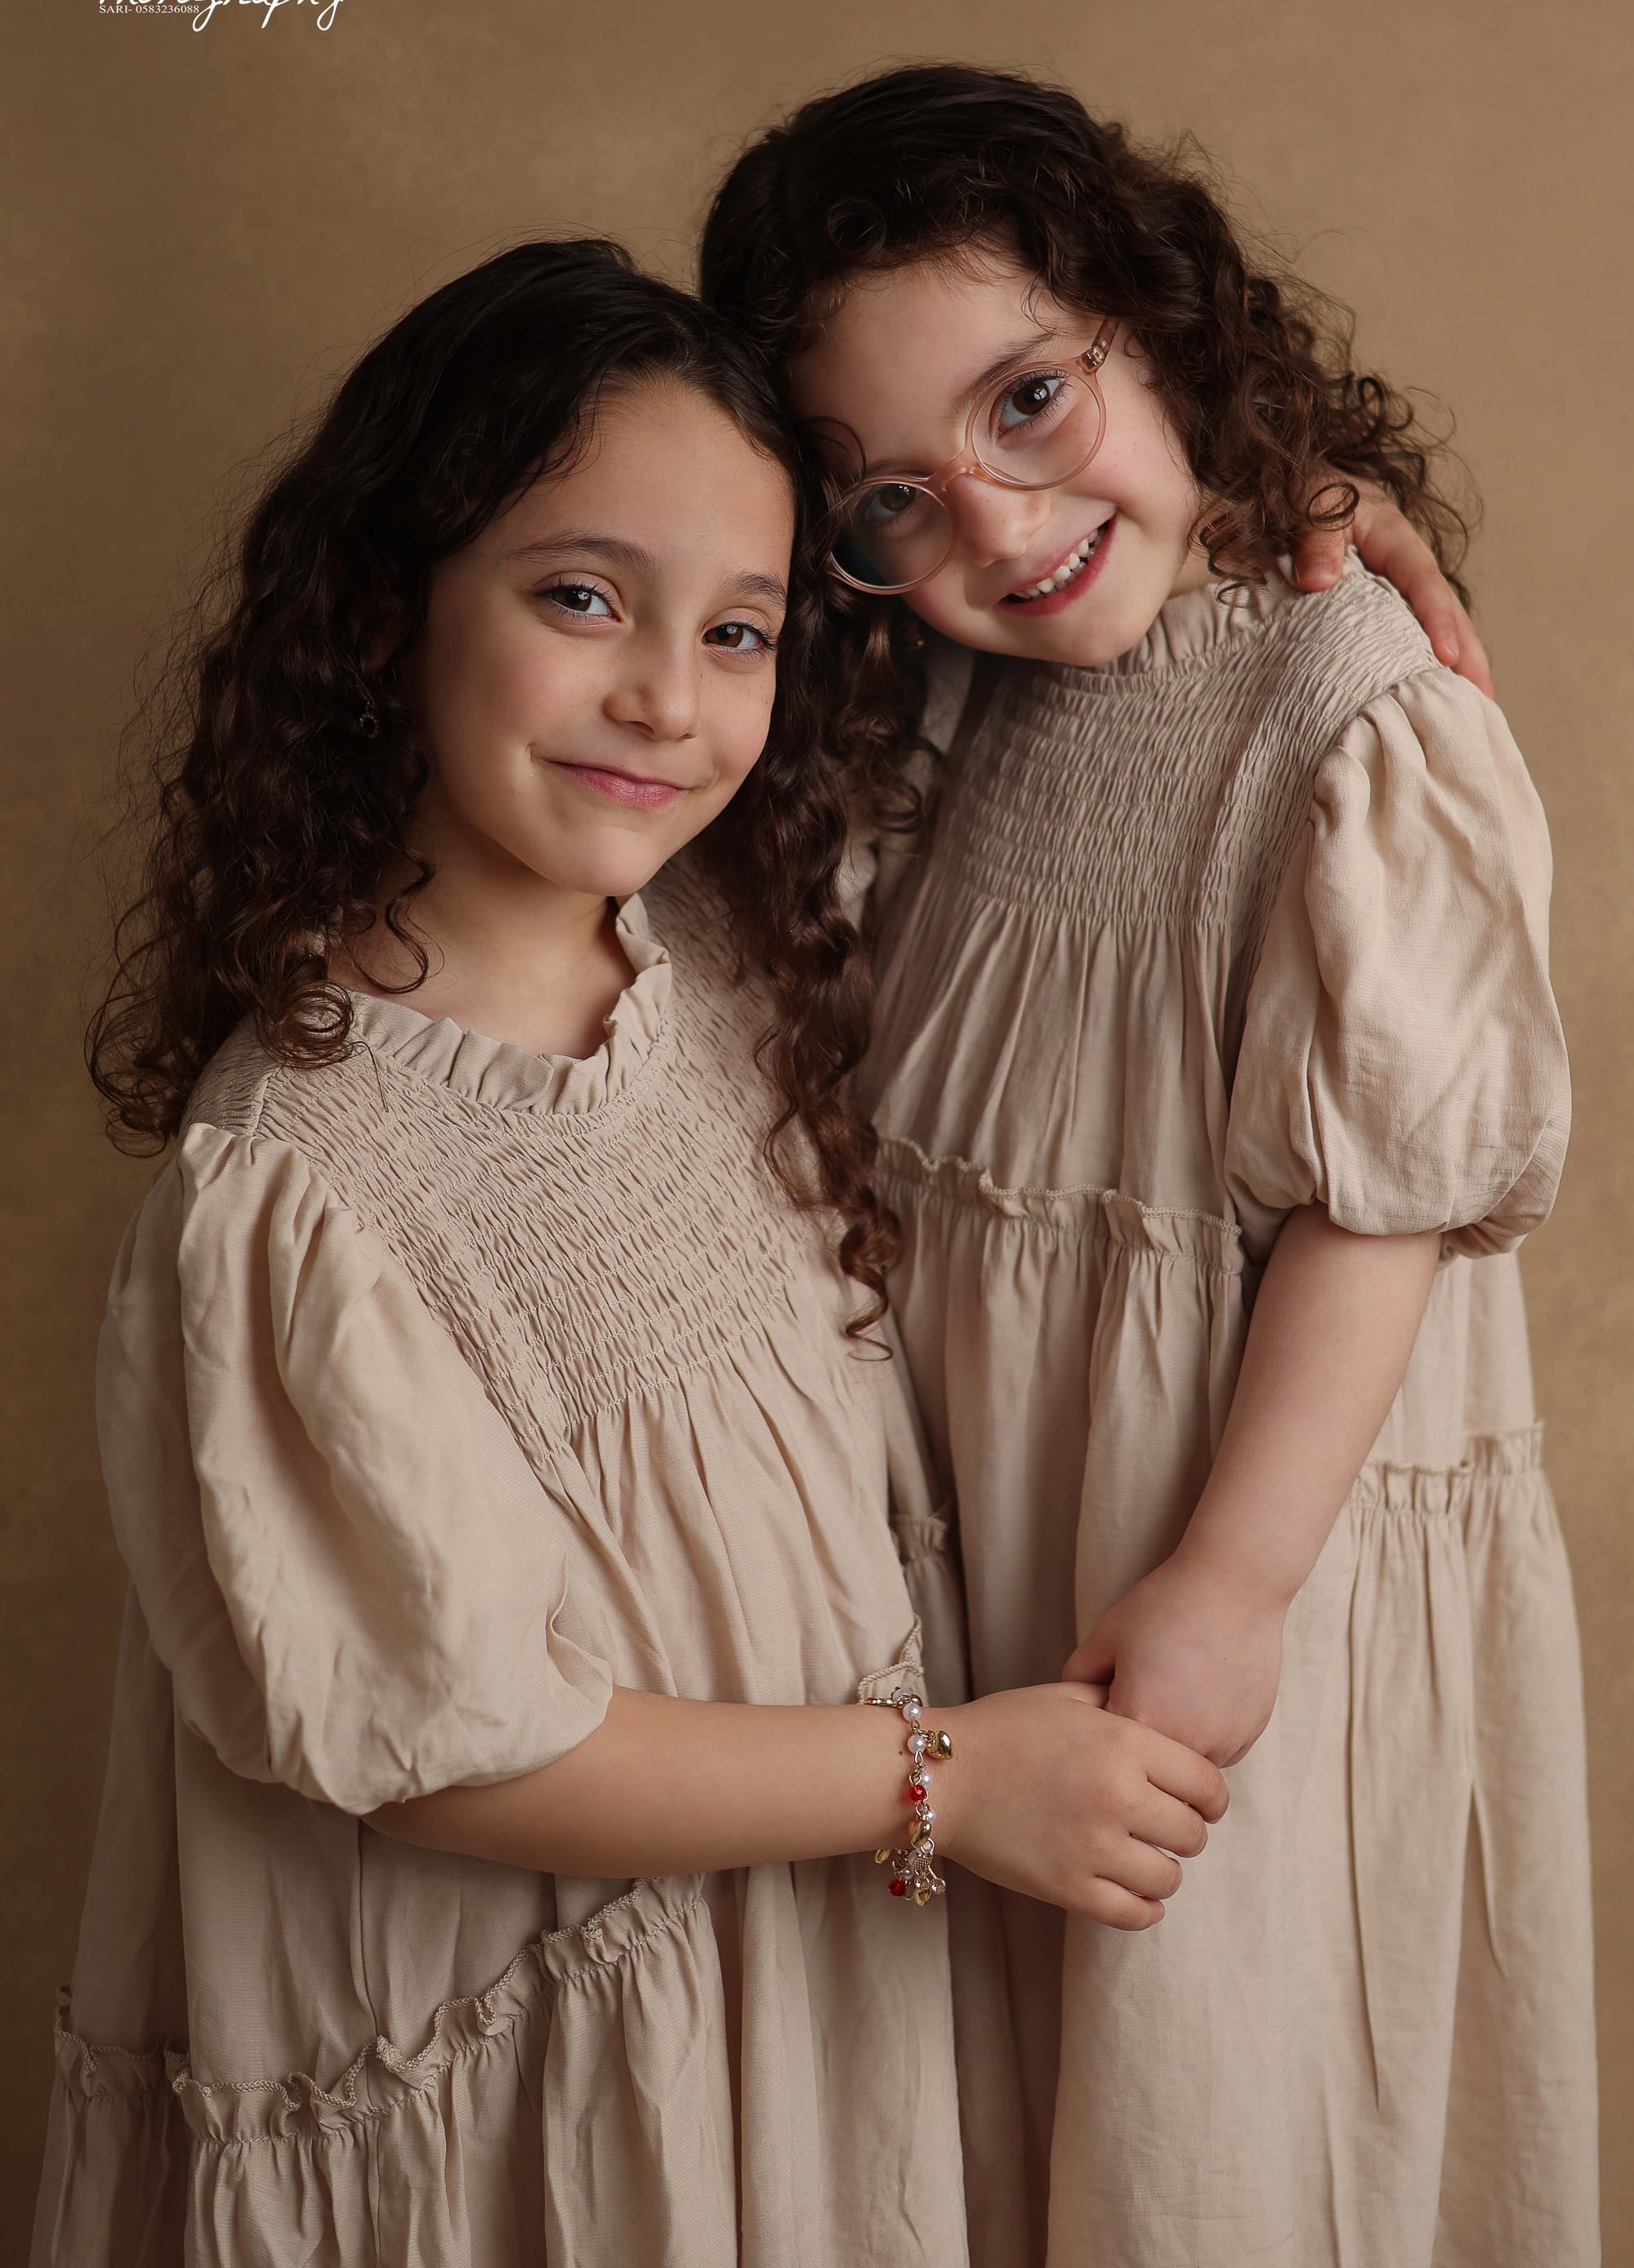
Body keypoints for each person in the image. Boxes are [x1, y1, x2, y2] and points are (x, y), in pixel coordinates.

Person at [35, 239, 1230, 2266]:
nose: (669, 699)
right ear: (387, 605)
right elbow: (449, 1749)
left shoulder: (732, 942)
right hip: (547, 2084)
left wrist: (1311, 510)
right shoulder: (303, 1181)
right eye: (580, 598)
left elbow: (1054, 608)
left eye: (739, 629)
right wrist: (944, 1779)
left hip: (795, 1995)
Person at [700, 66, 1598, 2268]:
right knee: (1002, 2124)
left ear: (1157, 320)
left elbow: (1384, 1205)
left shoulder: (1351, 704)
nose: (1003, 525)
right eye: (892, 497)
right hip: (993, 1536)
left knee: (1208, 2116)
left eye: (1032, 400)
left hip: (1220, 1543)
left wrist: (1236, 1581)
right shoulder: (945, 700)